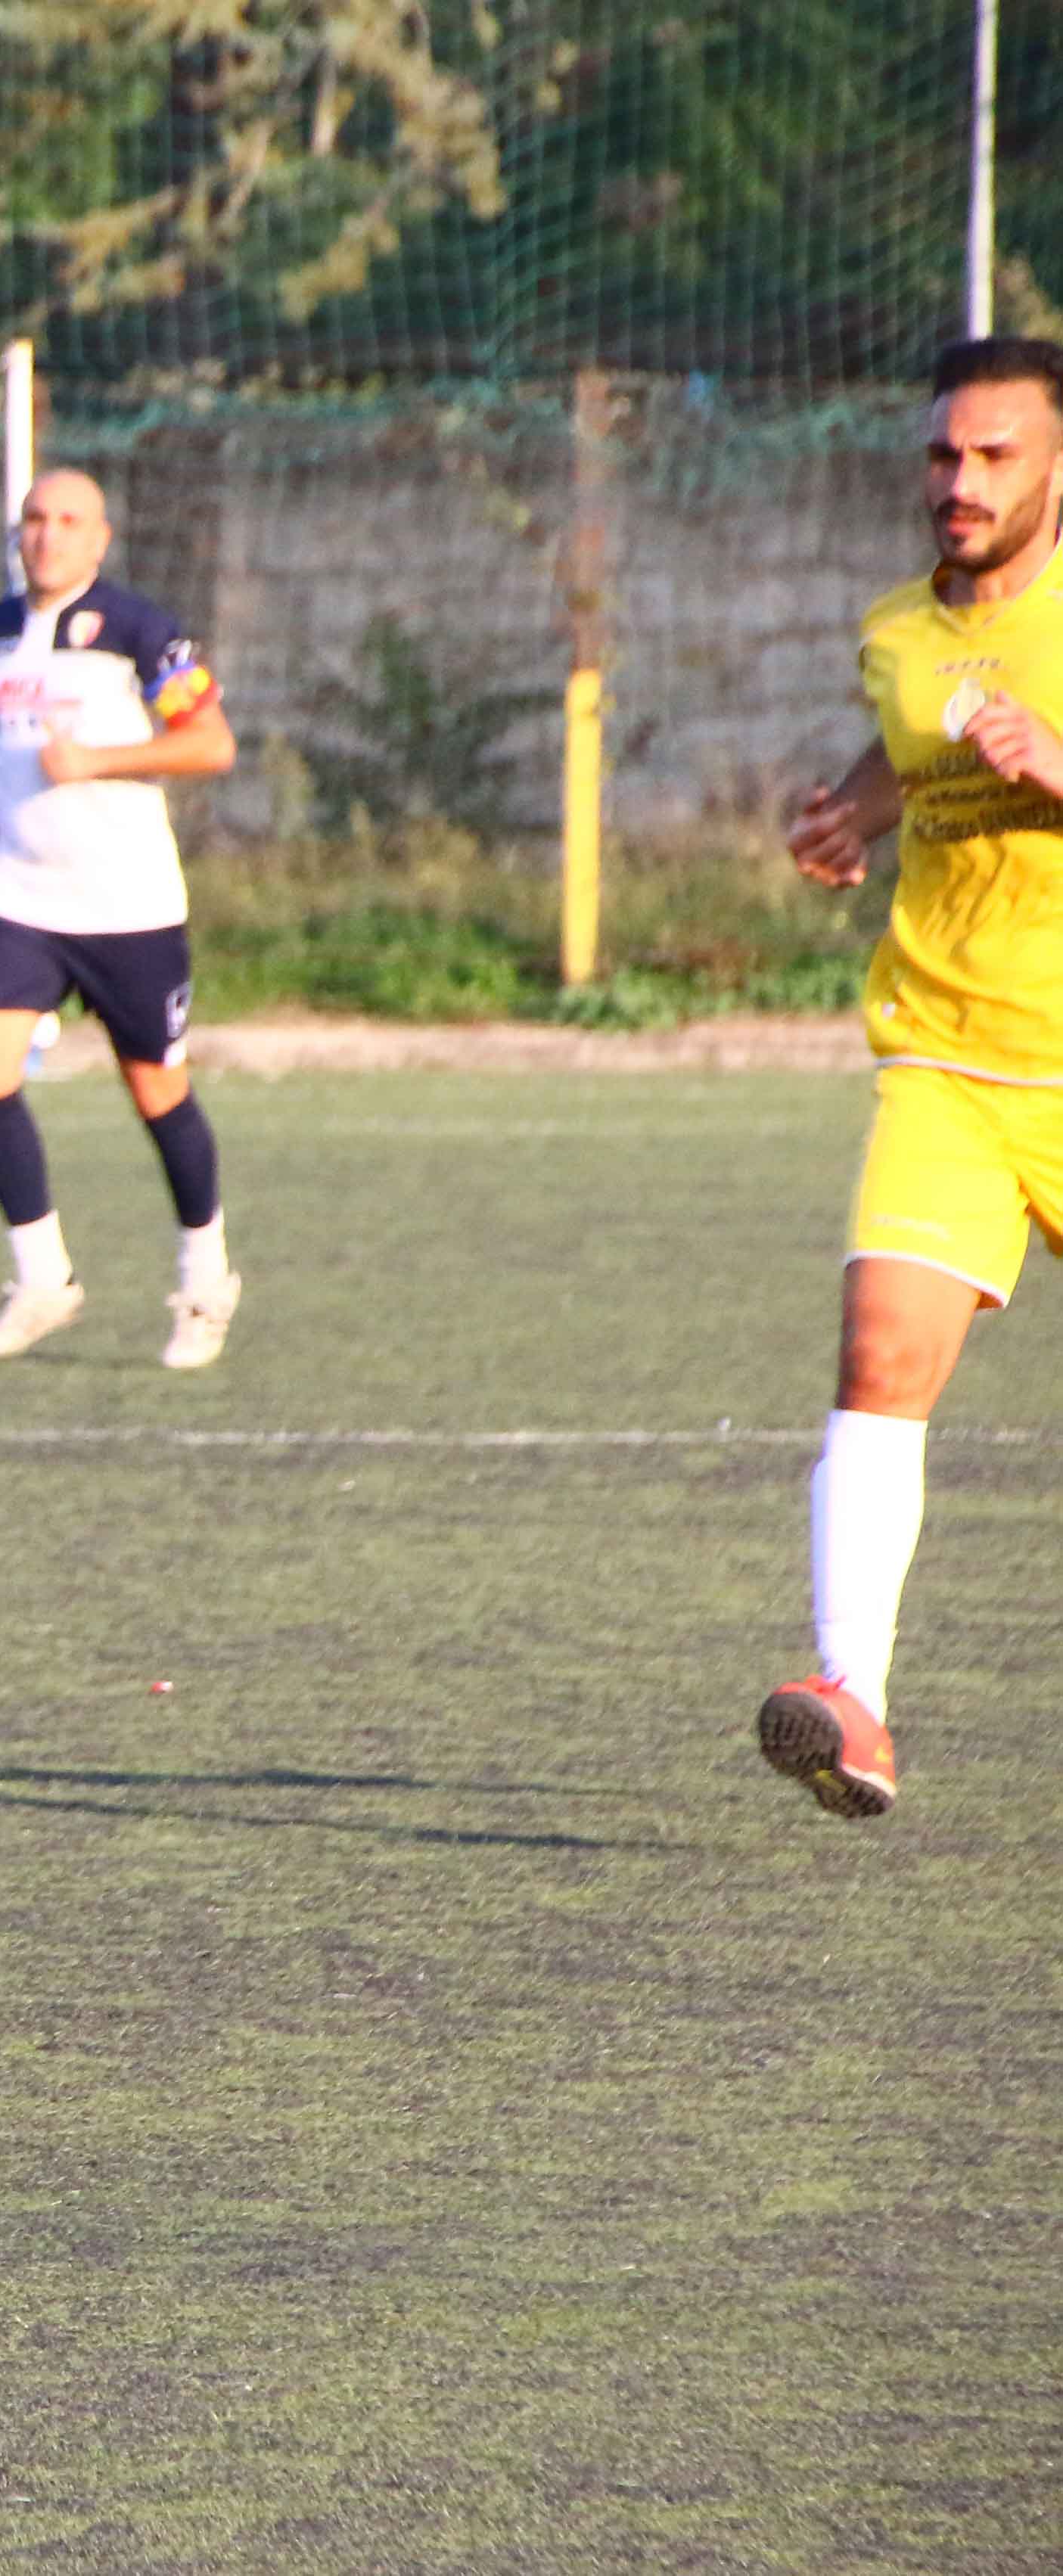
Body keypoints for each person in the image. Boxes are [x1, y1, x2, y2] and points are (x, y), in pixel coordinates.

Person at [761, 334, 1063, 1822]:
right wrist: (847, 820)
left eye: (994, 454)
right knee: (876, 1355)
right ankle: (849, 1698)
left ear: (1051, 464)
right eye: (943, 454)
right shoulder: (897, 632)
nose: (959, 480)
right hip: (942, 1056)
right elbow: (906, 746)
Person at [0, 470, 241, 1369]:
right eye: (34, 519)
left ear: (100, 540)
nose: (47, 535)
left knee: (157, 1093)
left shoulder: (141, 632)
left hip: (127, 904)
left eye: (68, 522)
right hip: (15, 897)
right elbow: (1, 734)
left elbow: (211, 743)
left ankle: (205, 1281)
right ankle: (42, 1281)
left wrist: (101, 760)